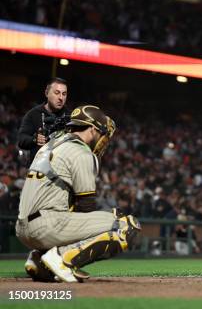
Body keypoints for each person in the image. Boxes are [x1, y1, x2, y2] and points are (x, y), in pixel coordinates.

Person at [15, 105, 140, 283]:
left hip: (22, 227)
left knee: (75, 211)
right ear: (92, 128)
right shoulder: (81, 151)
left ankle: (39, 258)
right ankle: (62, 259)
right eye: (101, 132)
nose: (103, 139)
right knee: (127, 225)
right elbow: (86, 207)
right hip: (45, 226)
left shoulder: (52, 144)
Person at [17, 78, 70, 165]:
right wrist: (34, 140)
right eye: (57, 93)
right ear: (46, 93)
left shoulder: (71, 116)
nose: (61, 97)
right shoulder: (33, 114)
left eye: (64, 94)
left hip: (63, 170)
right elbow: (21, 140)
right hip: (38, 170)